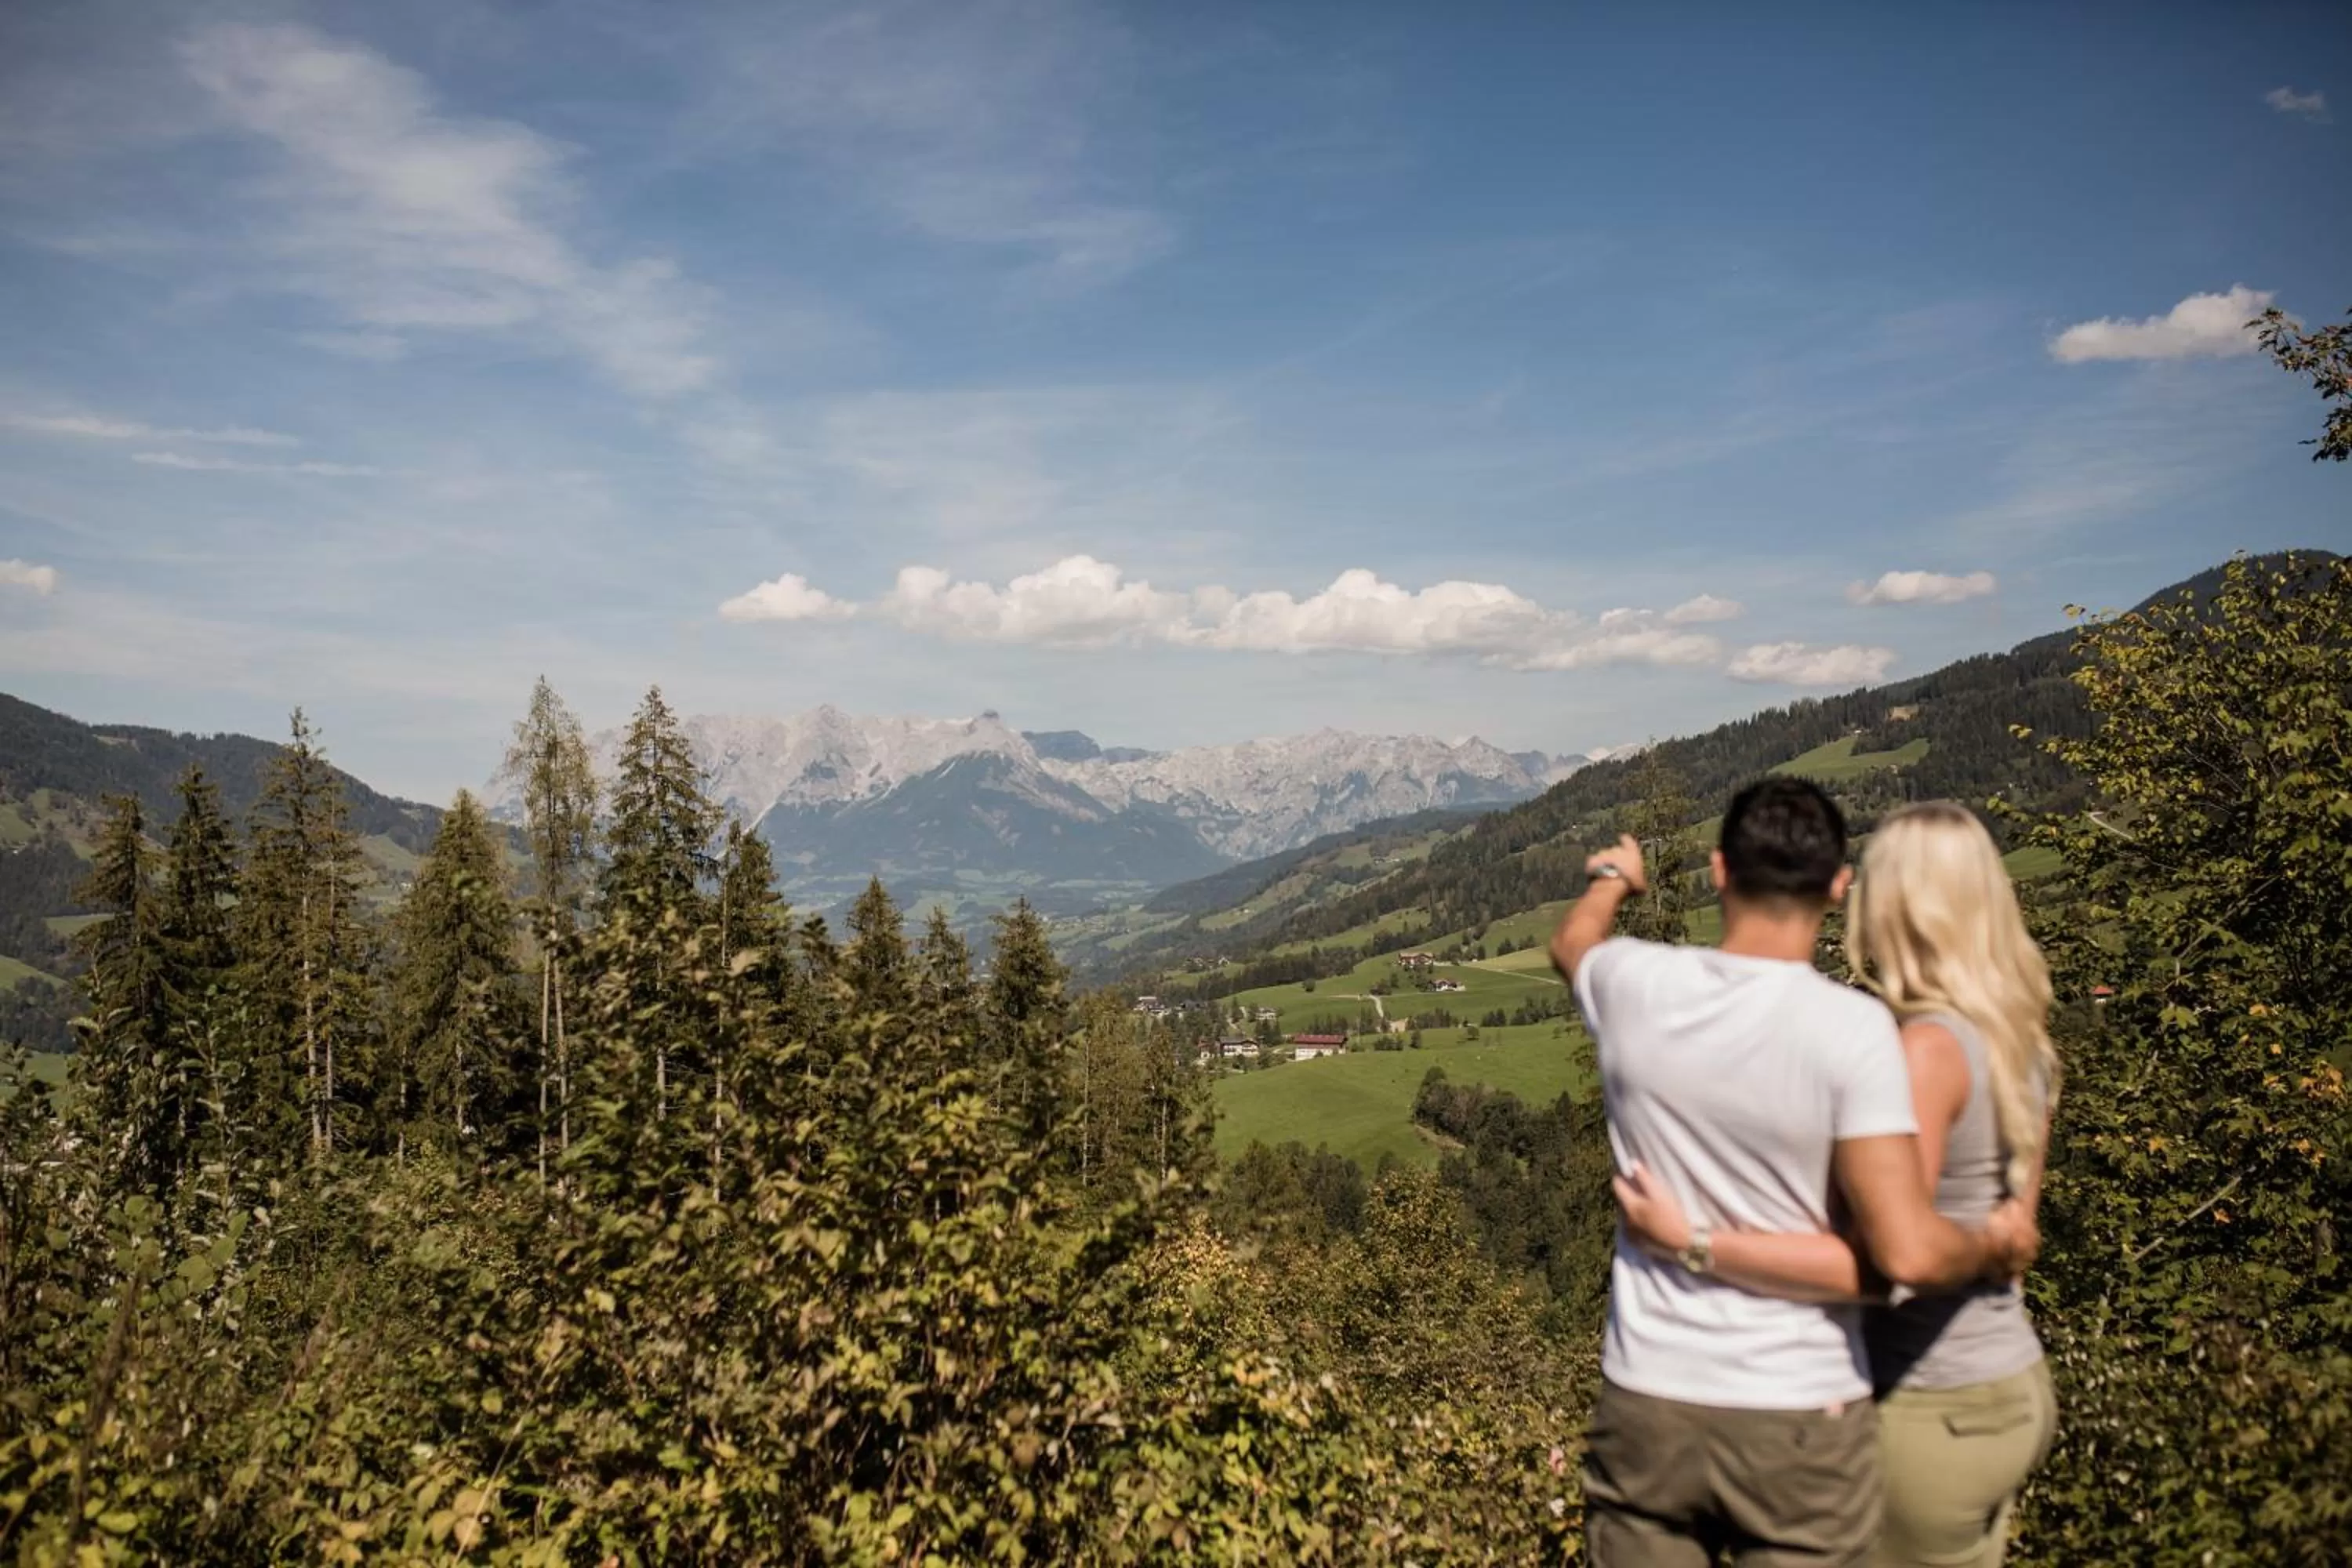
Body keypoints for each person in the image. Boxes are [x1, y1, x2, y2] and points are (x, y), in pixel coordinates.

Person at [1550, 776, 2035, 1566]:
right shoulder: (1857, 1031)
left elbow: (1573, 945)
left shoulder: (1638, 984)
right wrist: (1995, 1244)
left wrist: (1615, 879)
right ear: (1839, 885)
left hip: (1651, 1396)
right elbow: (1891, 1259)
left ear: (1718, 871)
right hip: (1801, 1407)